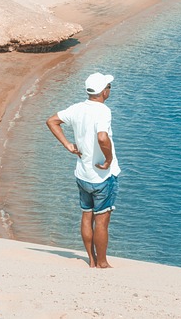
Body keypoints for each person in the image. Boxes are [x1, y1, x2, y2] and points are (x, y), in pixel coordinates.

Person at [46, 72, 121, 268]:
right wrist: (109, 159)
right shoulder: (103, 111)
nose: (110, 89)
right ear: (103, 91)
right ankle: (103, 263)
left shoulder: (77, 108)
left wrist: (68, 145)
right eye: (109, 87)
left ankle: (91, 260)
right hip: (101, 177)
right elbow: (103, 138)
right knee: (102, 221)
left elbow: (52, 121)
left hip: (82, 174)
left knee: (87, 215)